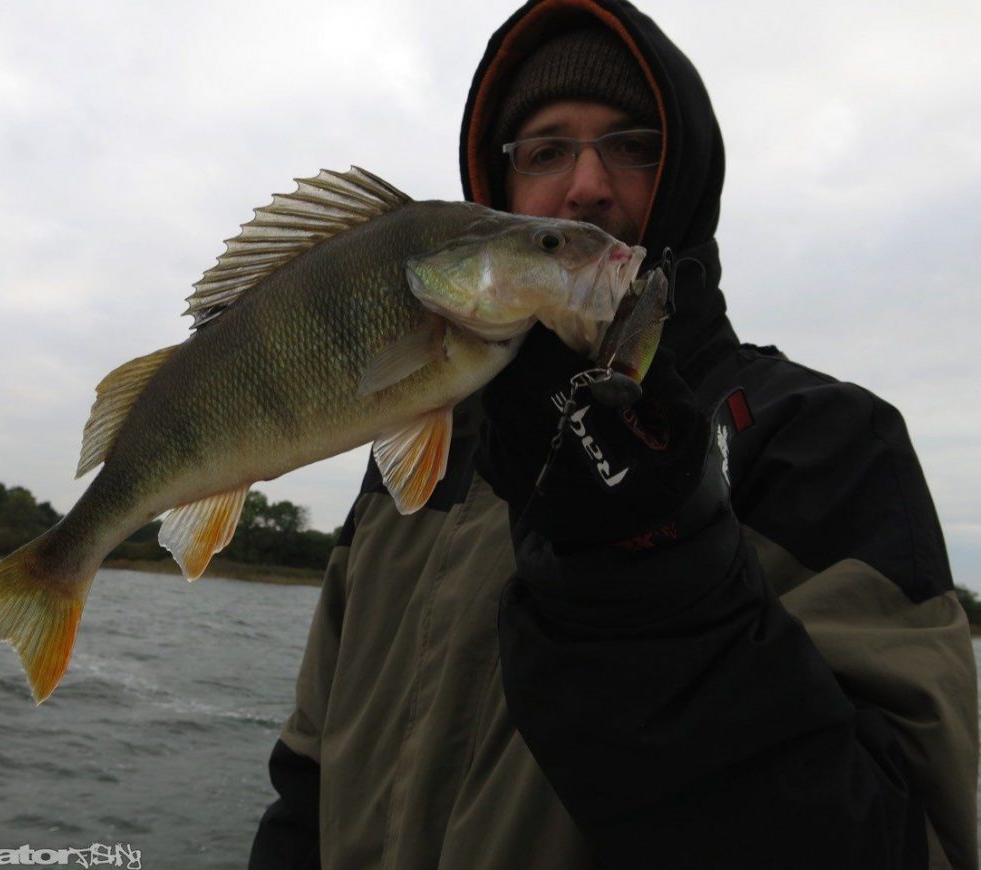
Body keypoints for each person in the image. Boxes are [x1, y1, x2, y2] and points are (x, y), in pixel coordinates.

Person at [249, 1, 978, 868]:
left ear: (687, 174)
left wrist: (649, 565)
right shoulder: (418, 451)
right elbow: (307, 784)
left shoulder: (822, 444)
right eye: (546, 151)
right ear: (498, 196)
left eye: (631, 144)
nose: (587, 186)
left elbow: (904, 845)